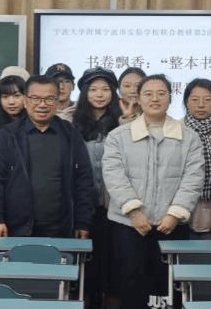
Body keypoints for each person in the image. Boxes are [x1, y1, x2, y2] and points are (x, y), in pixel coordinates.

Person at [102, 74, 203, 309]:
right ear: (138, 98)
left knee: (168, 288)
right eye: (148, 94)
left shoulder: (189, 137)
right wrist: (134, 211)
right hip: (128, 226)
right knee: (131, 287)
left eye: (161, 94)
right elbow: (114, 176)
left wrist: (175, 214)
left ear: (170, 98)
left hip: (172, 226)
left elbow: (193, 178)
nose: (154, 99)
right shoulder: (119, 136)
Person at [0, 75, 95, 238]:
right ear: (25, 101)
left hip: (62, 229)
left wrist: (82, 222)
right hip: (17, 229)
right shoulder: (8, 135)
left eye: (49, 99)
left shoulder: (70, 134)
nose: (42, 104)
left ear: (57, 101)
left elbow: (83, 179)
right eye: (35, 98)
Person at [72, 67, 121, 308]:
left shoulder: (122, 122)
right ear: (84, 93)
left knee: (113, 264)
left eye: (105, 89)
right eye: (93, 89)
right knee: (87, 266)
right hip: (83, 204)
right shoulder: (73, 123)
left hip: (114, 206)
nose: (99, 94)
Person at [180, 78, 211, 237]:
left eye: (207, 100)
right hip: (180, 212)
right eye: (194, 99)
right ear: (186, 102)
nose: (201, 105)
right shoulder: (174, 132)